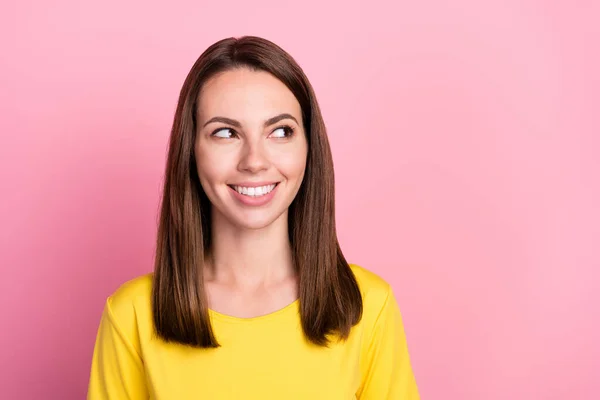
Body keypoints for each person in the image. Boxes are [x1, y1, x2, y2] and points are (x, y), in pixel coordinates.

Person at [87, 35, 420, 399]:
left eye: (280, 131)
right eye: (226, 132)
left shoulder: (368, 306)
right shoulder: (132, 315)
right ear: (191, 151)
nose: (255, 161)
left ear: (309, 147)